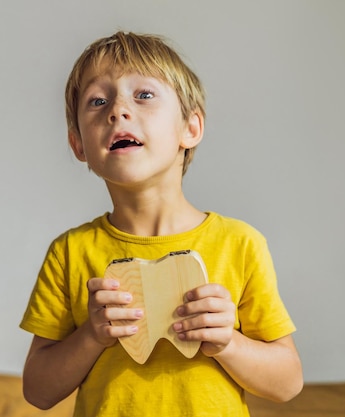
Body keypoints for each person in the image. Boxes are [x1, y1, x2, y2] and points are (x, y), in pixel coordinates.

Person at [20, 31, 303, 417]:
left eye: (144, 95)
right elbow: (37, 391)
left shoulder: (240, 243)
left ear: (191, 128)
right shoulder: (69, 253)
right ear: (78, 145)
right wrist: (91, 335)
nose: (117, 110)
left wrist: (228, 343)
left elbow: (288, 383)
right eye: (97, 101)